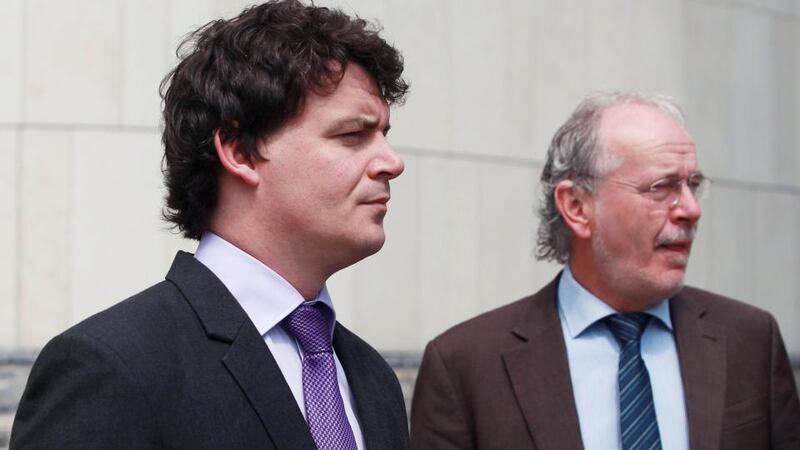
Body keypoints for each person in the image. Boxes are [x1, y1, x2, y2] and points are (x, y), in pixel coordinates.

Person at [11, 1, 409, 449]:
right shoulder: (113, 366)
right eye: (352, 135)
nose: (392, 163)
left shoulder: (373, 379)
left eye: (384, 135)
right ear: (240, 152)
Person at [410, 92, 800, 450]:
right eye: (661, 187)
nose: (690, 209)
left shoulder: (751, 340)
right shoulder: (466, 365)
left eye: (692, 184)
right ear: (576, 206)